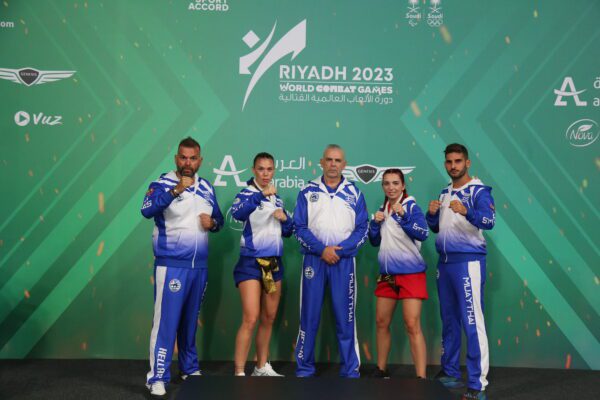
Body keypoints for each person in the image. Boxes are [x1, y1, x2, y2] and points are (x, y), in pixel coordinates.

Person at [141, 137, 224, 397]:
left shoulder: (206, 187)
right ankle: (157, 377)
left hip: (199, 267)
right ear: (176, 159)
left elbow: (219, 220)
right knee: (166, 322)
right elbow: (146, 210)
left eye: (193, 158)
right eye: (183, 157)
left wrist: (213, 223)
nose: (188, 163)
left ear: (200, 160)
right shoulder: (162, 184)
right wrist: (176, 190)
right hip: (171, 265)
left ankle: (189, 368)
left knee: (189, 322)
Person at [426, 143, 495, 400]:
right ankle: (451, 371)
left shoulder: (479, 191)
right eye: (449, 161)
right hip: (445, 264)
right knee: (449, 319)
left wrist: (467, 211)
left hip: (468, 263)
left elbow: (489, 221)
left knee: (472, 321)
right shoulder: (445, 192)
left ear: (467, 163)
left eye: (457, 161)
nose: (453, 166)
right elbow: (437, 228)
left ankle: (477, 384)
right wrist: (432, 214)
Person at [293, 144, 369, 378]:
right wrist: (321, 250)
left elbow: (362, 228)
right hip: (314, 261)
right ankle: (304, 368)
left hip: (343, 262)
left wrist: (339, 251)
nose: (333, 164)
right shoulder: (307, 191)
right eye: (329, 159)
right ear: (321, 162)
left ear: (344, 164)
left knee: (346, 319)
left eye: (337, 160)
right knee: (309, 317)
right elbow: (299, 227)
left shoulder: (354, 193)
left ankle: (350, 370)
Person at [231, 152, 294, 377]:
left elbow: (288, 231)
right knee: (251, 317)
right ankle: (239, 372)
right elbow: (237, 214)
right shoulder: (246, 193)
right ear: (253, 170)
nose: (265, 174)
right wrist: (260, 195)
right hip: (250, 262)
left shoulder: (277, 199)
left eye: (269, 169)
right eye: (261, 169)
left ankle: (261, 366)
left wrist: (285, 219)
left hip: (273, 264)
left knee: (269, 317)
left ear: (274, 170)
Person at [368, 168, 429, 379]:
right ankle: (381, 369)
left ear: (403, 185)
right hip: (387, 275)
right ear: (382, 186)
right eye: (386, 183)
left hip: (411, 273)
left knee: (412, 325)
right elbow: (374, 241)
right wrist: (374, 224)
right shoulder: (382, 209)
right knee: (381, 322)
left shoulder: (411, 206)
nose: (391, 187)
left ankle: (421, 377)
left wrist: (403, 216)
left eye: (395, 183)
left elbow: (424, 233)